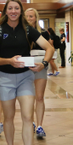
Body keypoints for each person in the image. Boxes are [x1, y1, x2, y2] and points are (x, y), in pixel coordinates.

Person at [0, 0, 53, 145]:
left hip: (25, 77)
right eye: (10, 8)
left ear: (21, 11)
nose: (13, 11)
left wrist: (44, 64)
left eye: (17, 8)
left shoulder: (28, 30)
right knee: (8, 117)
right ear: (6, 11)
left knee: (27, 116)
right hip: (5, 79)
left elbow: (49, 48)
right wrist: (9, 61)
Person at [24, 8, 51, 138]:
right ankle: (32, 122)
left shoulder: (44, 34)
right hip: (26, 68)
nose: (29, 18)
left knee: (39, 97)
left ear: (36, 18)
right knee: (29, 97)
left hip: (40, 66)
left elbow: (50, 50)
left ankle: (40, 125)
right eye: (27, 16)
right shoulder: (22, 33)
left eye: (32, 16)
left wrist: (46, 62)